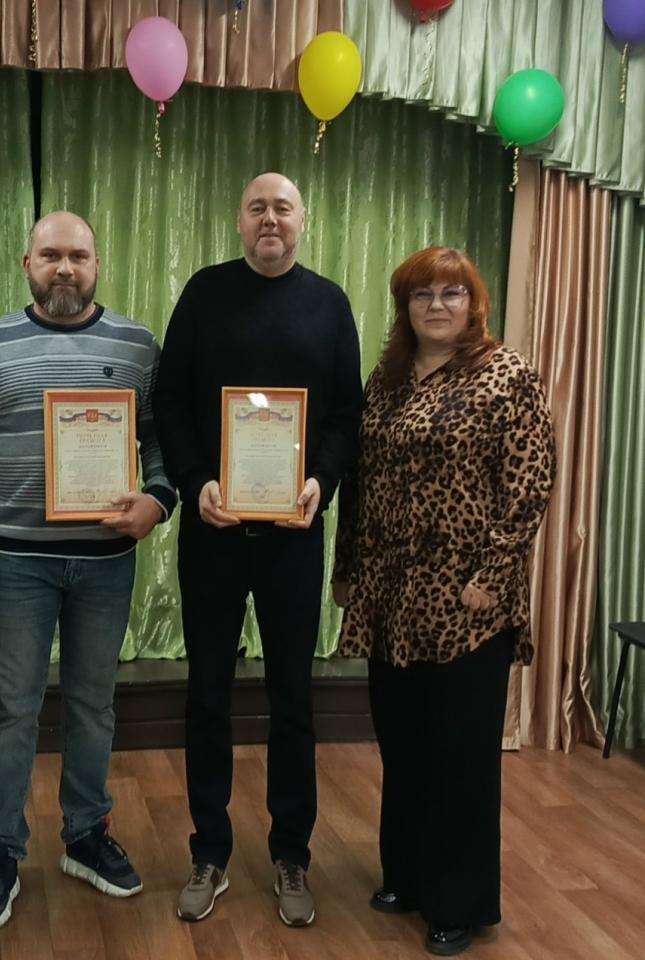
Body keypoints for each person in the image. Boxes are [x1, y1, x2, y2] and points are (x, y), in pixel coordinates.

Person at [0, 211, 176, 931]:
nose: (65, 268)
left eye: (78, 255)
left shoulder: (138, 345)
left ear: (97, 263)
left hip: (106, 562)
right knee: (12, 709)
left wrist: (159, 500)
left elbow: (161, 443)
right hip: (15, 563)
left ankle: (86, 835)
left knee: (93, 705)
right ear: (27, 264)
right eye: (50, 256)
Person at [331, 247, 556, 956]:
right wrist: (346, 568)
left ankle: (458, 901)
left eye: (451, 293)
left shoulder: (506, 375)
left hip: (467, 599)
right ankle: (405, 875)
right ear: (404, 306)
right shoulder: (386, 381)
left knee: (459, 757)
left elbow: (529, 485)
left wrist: (493, 574)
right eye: (421, 293)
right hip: (390, 594)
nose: (436, 305)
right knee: (403, 745)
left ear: (473, 303)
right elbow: (359, 482)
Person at [152, 172, 363, 927]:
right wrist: (195, 480)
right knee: (206, 694)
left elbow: (345, 414)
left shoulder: (329, 304)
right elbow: (169, 402)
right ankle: (208, 851)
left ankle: (291, 855)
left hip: (292, 537)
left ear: (303, 220)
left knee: (292, 699)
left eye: (282, 207)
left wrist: (320, 481)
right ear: (239, 222)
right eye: (256, 208)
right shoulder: (203, 294)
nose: (269, 219)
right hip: (213, 532)